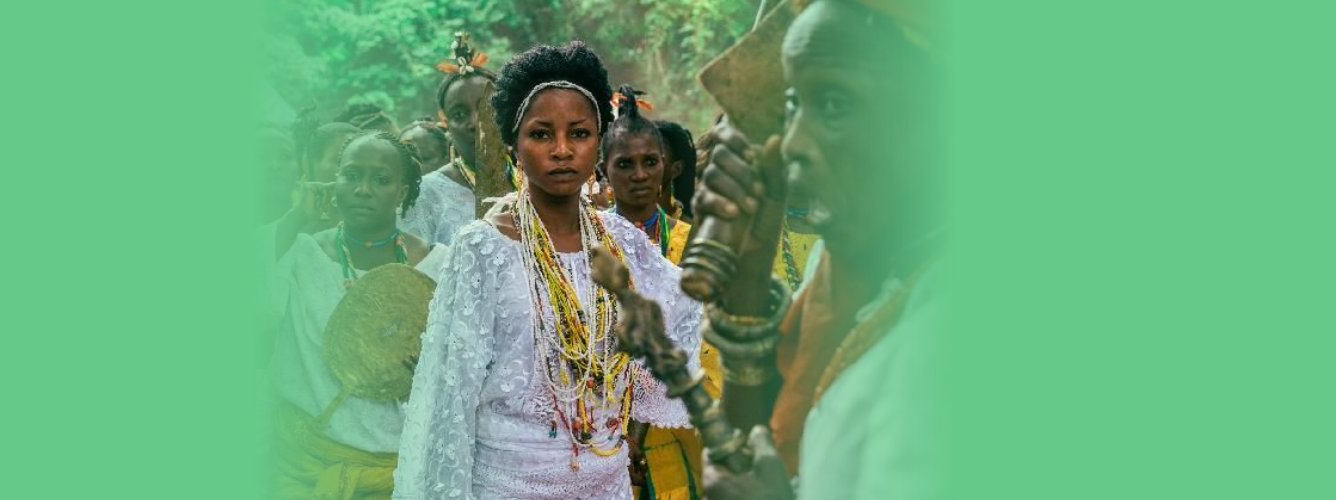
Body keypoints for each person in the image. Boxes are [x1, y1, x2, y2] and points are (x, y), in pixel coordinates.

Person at [394, 41, 703, 499]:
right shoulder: (482, 247)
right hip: (508, 485)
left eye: (578, 134)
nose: (561, 150)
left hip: (605, 482)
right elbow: (449, 397)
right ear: (515, 144)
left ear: (598, 141)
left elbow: (689, 313)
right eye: (541, 134)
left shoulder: (624, 243)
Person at [689, 0, 935, 497]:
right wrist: (748, 280)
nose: (794, 141)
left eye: (834, 103)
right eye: (793, 104)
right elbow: (763, 453)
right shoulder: (846, 271)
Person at [269, 131, 449, 499]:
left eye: (381, 180)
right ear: (334, 182)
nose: (363, 189)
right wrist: (295, 217)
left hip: (392, 470)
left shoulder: (438, 265)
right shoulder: (301, 253)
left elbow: (458, 369)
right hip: (302, 464)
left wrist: (431, 371)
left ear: (402, 192)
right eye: (351, 175)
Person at [599, 85, 724, 500]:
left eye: (649, 162)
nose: (638, 175)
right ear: (603, 170)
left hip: (683, 411)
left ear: (666, 166)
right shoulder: (590, 242)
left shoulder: (693, 242)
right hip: (606, 418)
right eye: (625, 164)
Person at [399, 32, 498, 245]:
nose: (474, 122)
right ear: (448, 128)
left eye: (486, 107)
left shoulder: (536, 180)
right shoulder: (424, 195)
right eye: (459, 115)